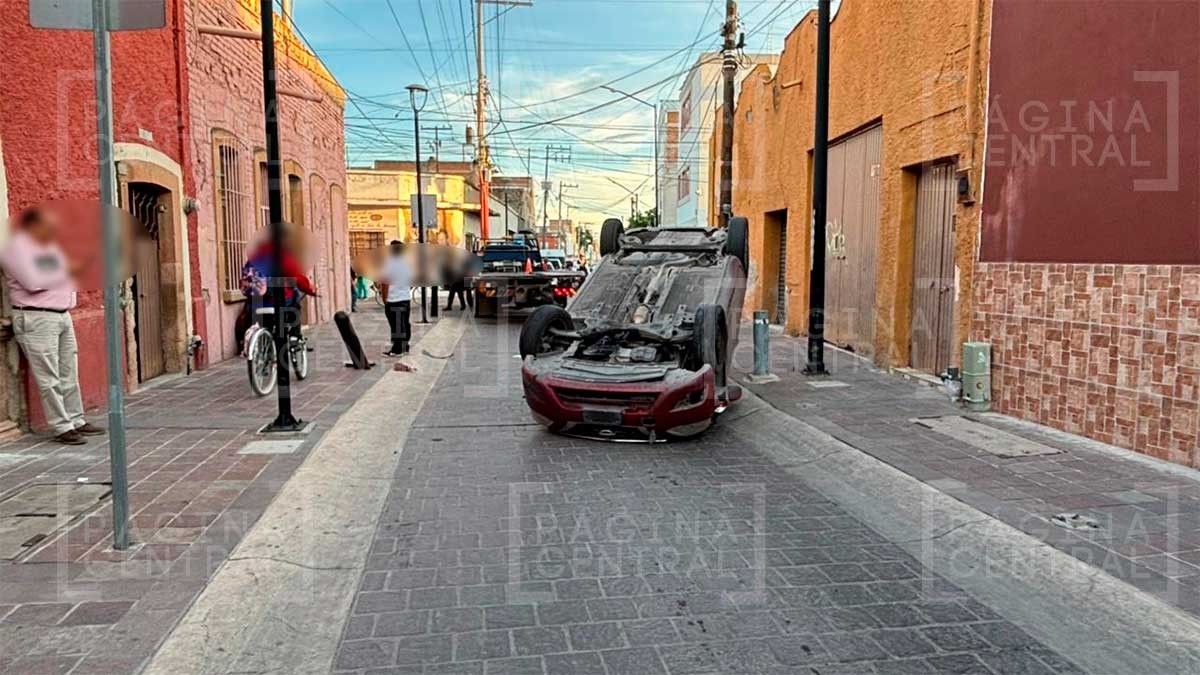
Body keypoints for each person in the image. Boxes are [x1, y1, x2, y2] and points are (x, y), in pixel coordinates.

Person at [0, 207, 105, 445]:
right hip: (37, 318)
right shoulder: (13, 249)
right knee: (49, 376)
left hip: (61, 314)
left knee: (69, 371)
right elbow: (34, 281)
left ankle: (76, 419)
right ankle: (61, 426)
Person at [235, 224, 317, 351]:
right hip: (278, 303)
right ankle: (295, 336)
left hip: (255, 305)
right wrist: (310, 289)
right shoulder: (283, 257)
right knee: (294, 297)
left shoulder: (253, 259)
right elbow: (298, 279)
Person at [379, 240, 411, 356]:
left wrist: (384, 297)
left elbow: (385, 282)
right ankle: (405, 346)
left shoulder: (389, 263)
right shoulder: (407, 263)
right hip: (405, 298)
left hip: (393, 299)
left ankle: (397, 349)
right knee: (405, 323)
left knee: (396, 325)